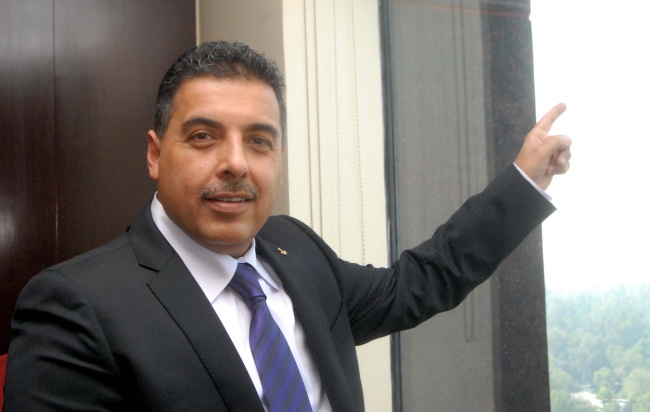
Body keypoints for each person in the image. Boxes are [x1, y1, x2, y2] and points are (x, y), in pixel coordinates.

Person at [3, 41, 571, 411]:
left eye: (259, 141)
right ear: (155, 154)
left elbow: (415, 283)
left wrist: (523, 182)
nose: (236, 163)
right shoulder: (75, 306)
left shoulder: (295, 248)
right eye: (203, 137)